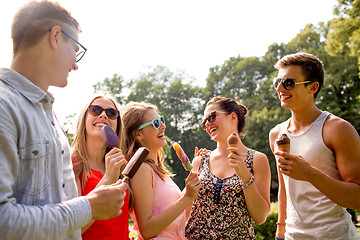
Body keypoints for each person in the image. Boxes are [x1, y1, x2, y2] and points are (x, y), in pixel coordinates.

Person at [0, 1, 127, 239]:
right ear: (56, 36)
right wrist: (89, 207)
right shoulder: (4, 106)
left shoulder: (49, 114)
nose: (76, 64)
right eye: (75, 49)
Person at [269, 52, 360, 239]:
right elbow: (285, 188)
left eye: (288, 83)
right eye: (277, 82)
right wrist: (280, 232)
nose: (280, 89)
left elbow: (357, 198)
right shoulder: (276, 135)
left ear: (313, 87)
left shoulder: (337, 129)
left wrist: (309, 173)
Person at [185, 96, 271, 239]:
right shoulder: (199, 161)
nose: (207, 124)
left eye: (212, 117)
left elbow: (260, 217)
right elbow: (185, 210)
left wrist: (245, 176)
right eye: (204, 121)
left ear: (233, 117)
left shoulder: (257, 159)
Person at [121, 101, 201, 240]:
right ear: (138, 134)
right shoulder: (142, 169)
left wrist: (196, 170)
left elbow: (177, 219)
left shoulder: (158, 171)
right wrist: (187, 196)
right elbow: (147, 230)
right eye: (156, 123)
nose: (163, 126)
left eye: (161, 120)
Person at [71, 96, 130, 239]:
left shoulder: (122, 167)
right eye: (95, 110)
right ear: (84, 118)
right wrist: (108, 178)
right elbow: (73, 231)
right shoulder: (72, 164)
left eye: (111, 113)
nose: (103, 115)